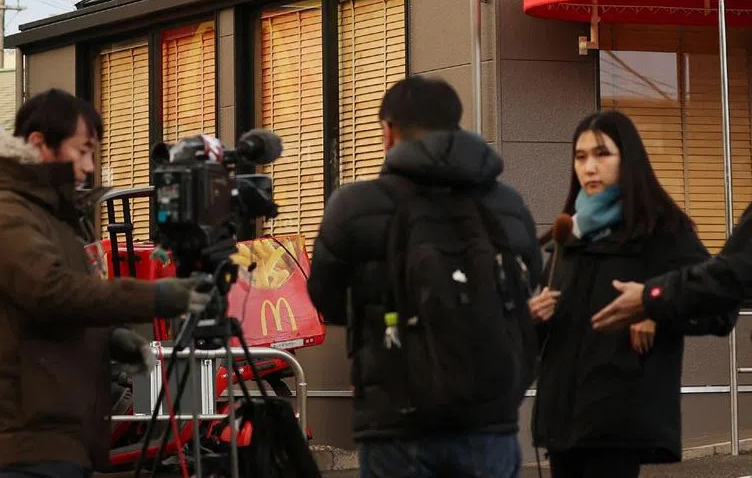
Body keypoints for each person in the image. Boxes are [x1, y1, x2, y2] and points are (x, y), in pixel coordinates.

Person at [0, 88, 210, 478]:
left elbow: (51, 307)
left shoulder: (49, 215)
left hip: (57, 433)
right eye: (82, 150)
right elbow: (51, 291)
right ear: (40, 143)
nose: (89, 166)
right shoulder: (2, 212)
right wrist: (155, 295)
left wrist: (108, 339)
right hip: (25, 439)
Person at [307, 75, 541, 478]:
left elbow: (328, 301)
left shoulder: (354, 205)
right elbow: (525, 286)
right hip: (489, 419)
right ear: (456, 126)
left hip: (396, 420)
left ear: (388, 131)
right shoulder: (507, 205)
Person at [528, 110, 735, 478]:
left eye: (602, 154)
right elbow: (547, 338)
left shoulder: (662, 231)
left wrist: (656, 309)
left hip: (617, 423)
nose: (589, 167)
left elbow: (721, 306)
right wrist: (534, 317)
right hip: (562, 424)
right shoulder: (567, 237)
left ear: (629, 159)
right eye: (580, 156)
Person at [591, 205, 752, 331]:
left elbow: (729, 281)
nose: (590, 169)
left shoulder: (668, 230)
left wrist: (652, 304)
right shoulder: (574, 235)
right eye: (581, 160)